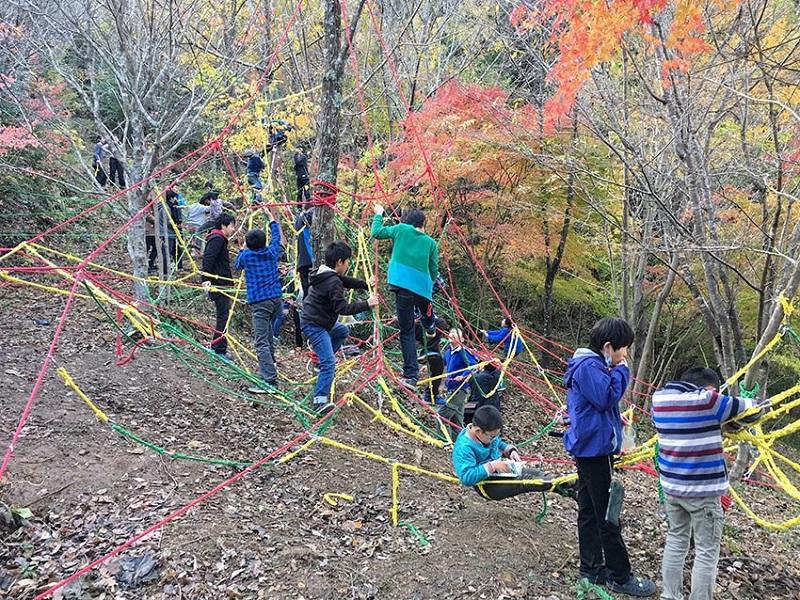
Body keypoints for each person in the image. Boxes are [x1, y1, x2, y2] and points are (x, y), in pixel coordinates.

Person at [652, 367, 764, 600]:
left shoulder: (659, 400)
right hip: (702, 493)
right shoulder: (708, 401)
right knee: (706, 551)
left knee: (676, 539)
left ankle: (669, 595)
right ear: (709, 389)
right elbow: (754, 408)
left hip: (672, 488)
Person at [563, 317, 655, 597]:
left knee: (590, 509)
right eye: (622, 349)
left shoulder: (592, 365)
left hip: (593, 447)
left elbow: (600, 406)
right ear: (607, 347)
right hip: (594, 450)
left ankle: (591, 568)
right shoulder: (590, 366)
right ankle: (619, 575)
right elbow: (606, 397)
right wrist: (622, 371)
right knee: (607, 513)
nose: (624, 355)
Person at [300, 241, 378, 414]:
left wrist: (366, 284)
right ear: (340, 262)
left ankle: (321, 363)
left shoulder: (324, 272)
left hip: (315, 319)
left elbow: (345, 281)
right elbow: (342, 309)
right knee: (330, 363)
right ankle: (319, 402)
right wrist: (367, 303)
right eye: (348, 261)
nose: (348, 264)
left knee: (342, 331)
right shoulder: (332, 281)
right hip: (315, 324)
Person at [371, 204, 438, 389]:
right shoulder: (431, 242)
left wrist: (379, 214)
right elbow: (433, 271)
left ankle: (411, 376)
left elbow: (376, 232)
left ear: (406, 221)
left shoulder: (400, 229)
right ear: (422, 224)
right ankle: (429, 323)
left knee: (407, 331)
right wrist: (429, 283)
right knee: (426, 311)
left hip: (401, 286)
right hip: (422, 290)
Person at [452, 405, 556, 500]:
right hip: (486, 486)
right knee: (527, 481)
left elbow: (497, 443)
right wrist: (492, 466)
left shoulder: (485, 436)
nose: (494, 438)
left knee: (537, 473)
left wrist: (510, 450)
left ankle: (563, 484)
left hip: (500, 473)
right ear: (478, 431)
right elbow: (466, 477)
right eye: (492, 436)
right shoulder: (464, 447)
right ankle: (559, 485)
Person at [235, 211, 283, 393]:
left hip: (260, 303)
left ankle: (269, 381)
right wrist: (271, 219)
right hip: (276, 300)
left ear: (248, 244)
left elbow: (237, 265)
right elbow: (276, 237)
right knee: (268, 337)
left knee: (261, 341)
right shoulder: (271, 253)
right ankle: (269, 371)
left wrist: (242, 248)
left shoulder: (246, 256)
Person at [201, 214, 237, 358]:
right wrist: (205, 279)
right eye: (232, 226)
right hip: (218, 284)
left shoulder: (219, 239)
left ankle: (218, 347)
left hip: (222, 283)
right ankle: (218, 349)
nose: (233, 229)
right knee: (224, 316)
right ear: (223, 225)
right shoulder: (217, 239)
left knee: (224, 315)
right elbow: (208, 258)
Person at [438, 328, 477, 439]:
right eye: (451, 332)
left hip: (460, 390)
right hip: (451, 389)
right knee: (457, 421)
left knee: (442, 416)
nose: (452, 334)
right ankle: (460, 443)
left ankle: (443, 441)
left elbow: (473, 366)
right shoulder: (448, 353)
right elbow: (441, 364)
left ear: (462, 339)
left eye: (456, 333)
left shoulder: (464, 352)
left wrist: (463, 375)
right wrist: (428, 366)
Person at [416, 315, 448, 405]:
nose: (452, 334)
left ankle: (431, 395)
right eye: (452, 333)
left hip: (429, 331)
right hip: (417, 324)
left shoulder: (459, 350)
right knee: (440, 322)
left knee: (438, 366)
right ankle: (427, 351)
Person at [294, 205, 314, 298]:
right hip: (310, 259)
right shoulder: (307, 217)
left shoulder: (298, 220)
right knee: (314, 292)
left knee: (307, 292)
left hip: (302, 261)